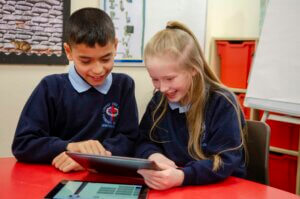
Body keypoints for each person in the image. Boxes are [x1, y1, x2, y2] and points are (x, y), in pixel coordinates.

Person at [12, 8, 139, 173]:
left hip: (103, 176)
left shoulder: (124, 85)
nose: (98, 70)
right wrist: (71, 148)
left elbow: (130, 139)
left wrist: (91, 160)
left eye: (106, 58)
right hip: (55, 177)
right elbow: (23, 144)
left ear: (115, 46)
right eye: (86, 61)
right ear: (68, 52)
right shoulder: (50, 87)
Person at [135, 21, 247, 190]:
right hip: (176, 188)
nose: (162, 88)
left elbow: (226, 160)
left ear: (193, 69)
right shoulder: (158, 102)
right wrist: (153, 155)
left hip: (221, 188)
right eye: (155, 79)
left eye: (170, 78)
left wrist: (182, 176)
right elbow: (142, 141)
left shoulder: (222, 103)